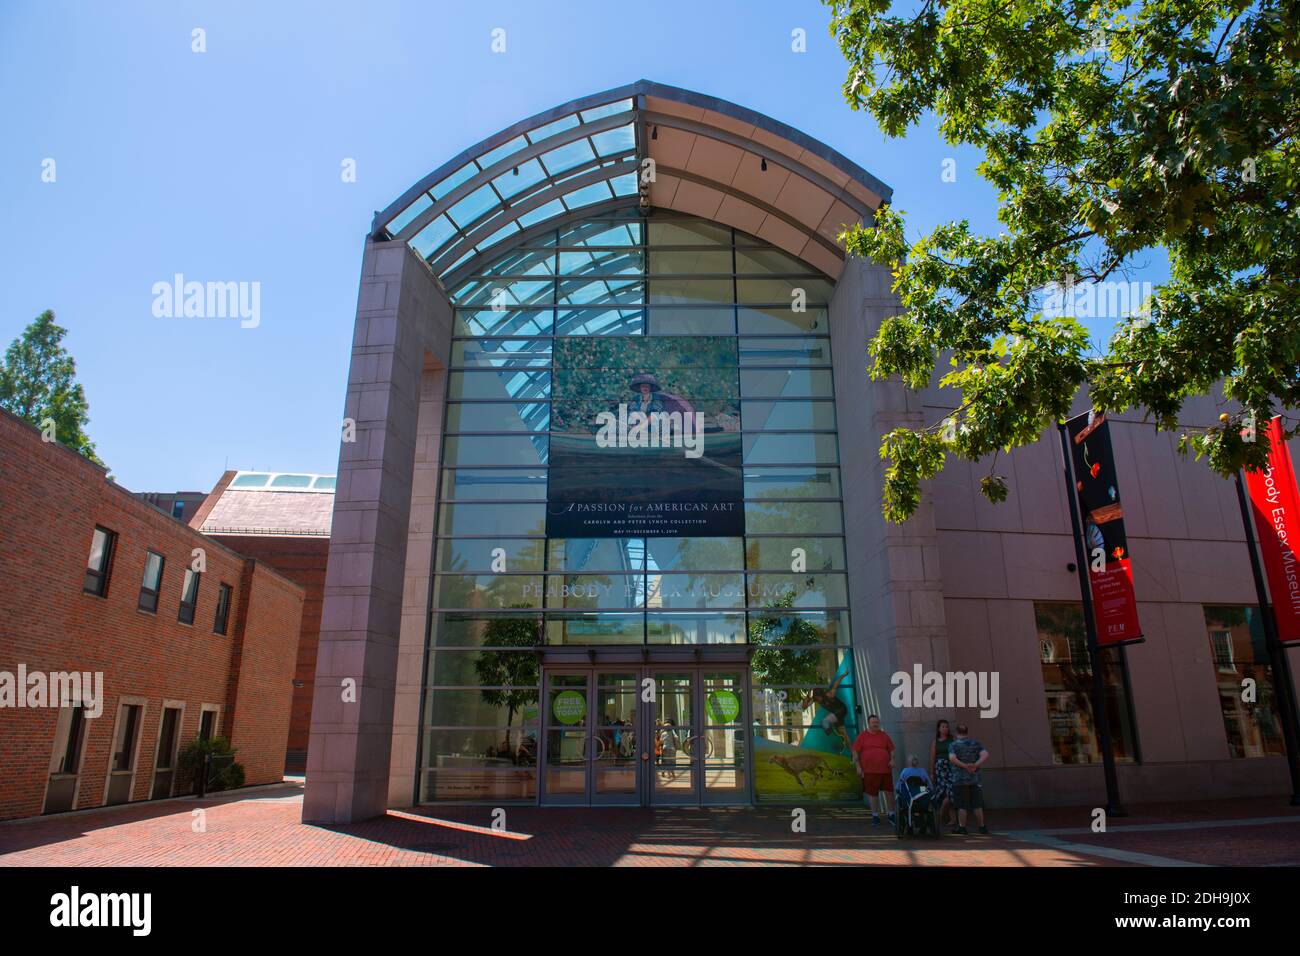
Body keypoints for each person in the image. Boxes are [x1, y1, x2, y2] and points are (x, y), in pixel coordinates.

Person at [850, 714, 896, 827]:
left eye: (877, 722)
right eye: (873, 722)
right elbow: (855, 752)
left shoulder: (884, 735)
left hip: (885, 770)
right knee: (873, 794)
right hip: (870, 771)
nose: (875, 724)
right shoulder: (862, 736)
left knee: (889, 793)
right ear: (868, 723)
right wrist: (858, 766)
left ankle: (891, 814)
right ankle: (875, 816)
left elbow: (892, 749)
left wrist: (893, 760)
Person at [947, 723, 990, 835]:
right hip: (974, 779)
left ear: (957, 733)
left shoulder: (954, 745)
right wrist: (975, 765)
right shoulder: (975, 743)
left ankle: (962, 827)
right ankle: (982, 826)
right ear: (967, 732)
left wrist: (964, 766)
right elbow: (985, 754)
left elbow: (952, 758)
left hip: (959, 779)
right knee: (977, 804)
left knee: (962, 805)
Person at [802, 671, 852, 753]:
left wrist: (843, 675)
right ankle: (852, 752)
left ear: (821, 695)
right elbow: (804, 707)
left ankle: (839, 740)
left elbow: (836, 683)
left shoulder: (829, 694)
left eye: (819, 698)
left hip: (841, 709)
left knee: (825, 722)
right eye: (816, 698)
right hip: (836, 714)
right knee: (843, 733)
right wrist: (807, 697)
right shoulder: (815, 699)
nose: (818, 700)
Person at [929, 719, 956, 828]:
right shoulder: (935, 741)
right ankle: (952, 819)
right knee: (944, 793)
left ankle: (940, 814)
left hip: (951, 768)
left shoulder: (952, 740)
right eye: (943, 726)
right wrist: (931, 773)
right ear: (939, 728)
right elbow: (932, 757)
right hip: (940, 769)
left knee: (951, 792)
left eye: (947, 726)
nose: (945, 728)